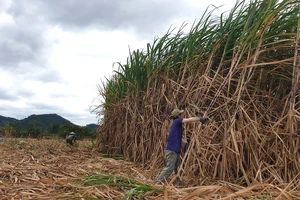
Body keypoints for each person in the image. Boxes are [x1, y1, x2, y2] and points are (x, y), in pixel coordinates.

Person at [156, 109, 207, 185]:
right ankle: (157, 183)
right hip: (172, 150)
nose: (183, 115)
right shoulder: (177, 121)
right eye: (181, 114)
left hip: (175, 151)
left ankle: (178, 183)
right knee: (169, 168)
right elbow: (188, 120)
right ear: (179, 116)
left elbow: (177, 138)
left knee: (179, 168)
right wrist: (199, 119)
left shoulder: (176, 126)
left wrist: (185, 143)